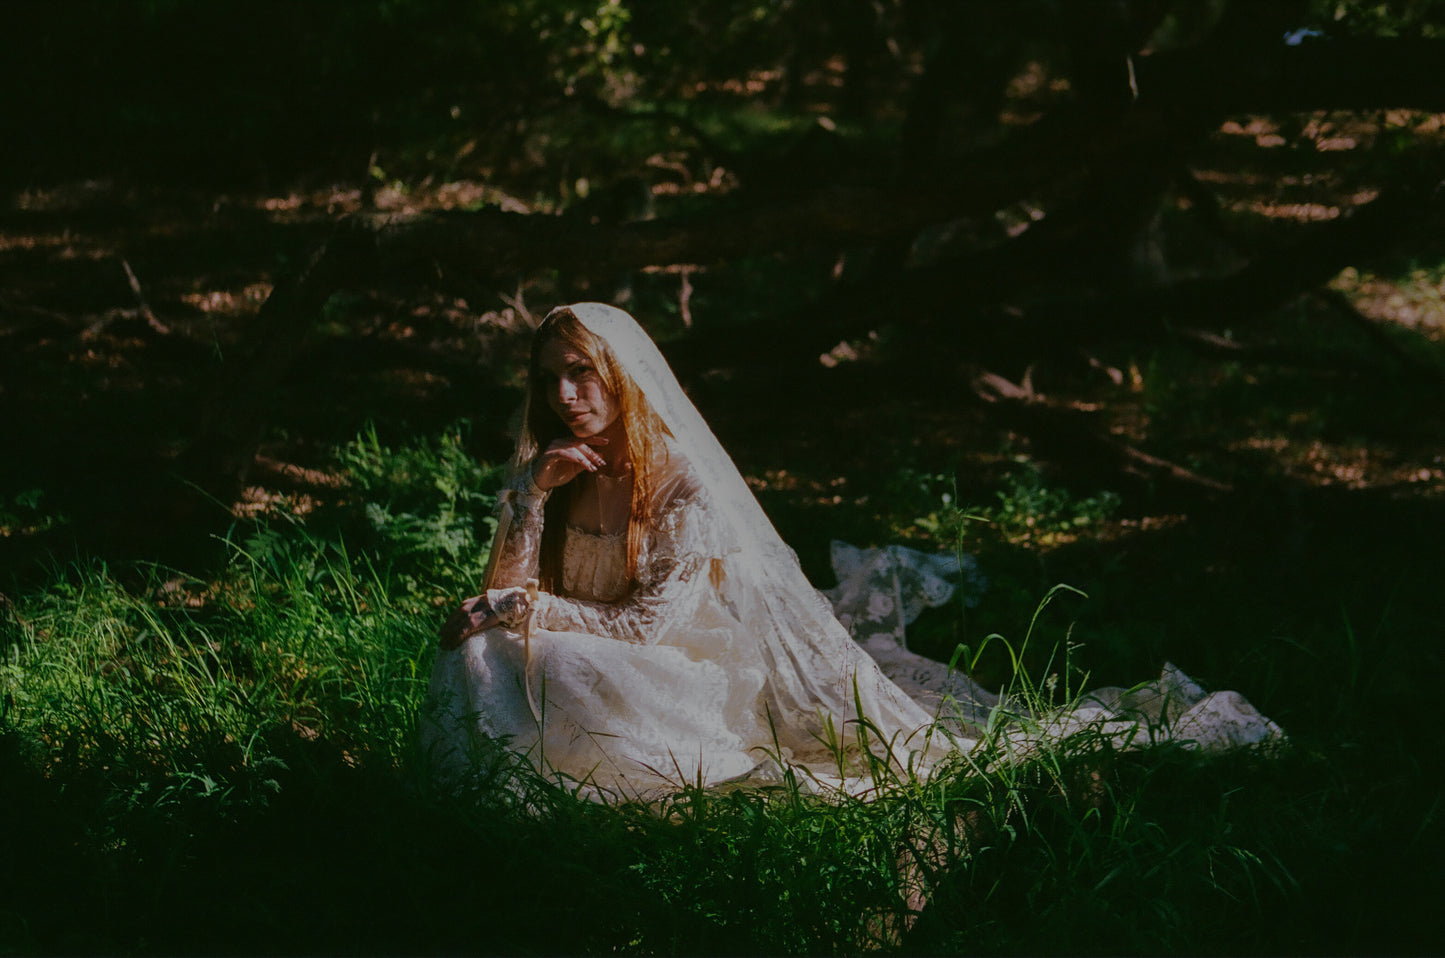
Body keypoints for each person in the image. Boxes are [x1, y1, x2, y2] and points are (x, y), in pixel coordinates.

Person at [422, 303, 1280, 799]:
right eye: (549, 377)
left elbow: (644, 627)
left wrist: (518, 609)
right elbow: (499, 589)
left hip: (678, 674)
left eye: (581, 372)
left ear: (620, 374)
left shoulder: (678, 482)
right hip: (601, 653)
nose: (566, 394)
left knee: (536, 652)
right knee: (480, 650)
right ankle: (504, 798)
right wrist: (530, 497)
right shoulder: (558, 468)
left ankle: (567, 784)